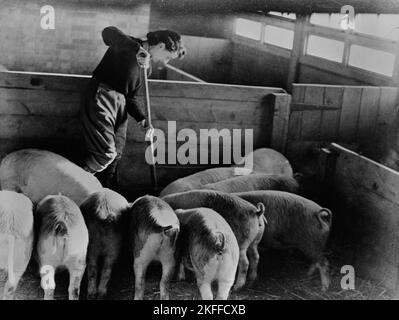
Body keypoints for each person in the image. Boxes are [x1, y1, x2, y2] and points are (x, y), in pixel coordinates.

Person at [80, 26, 186, 188]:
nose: (165, 62)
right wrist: (137, 49)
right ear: (160, 46)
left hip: (120, 104)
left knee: (117, 154)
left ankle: (104, 193)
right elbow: (108, 31)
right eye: (167, 57)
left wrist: (143, 120)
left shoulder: (146, 67)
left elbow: (131, 97)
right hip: (102, 96)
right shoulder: (128, 44)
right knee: (105, 154)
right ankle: (77, 181)